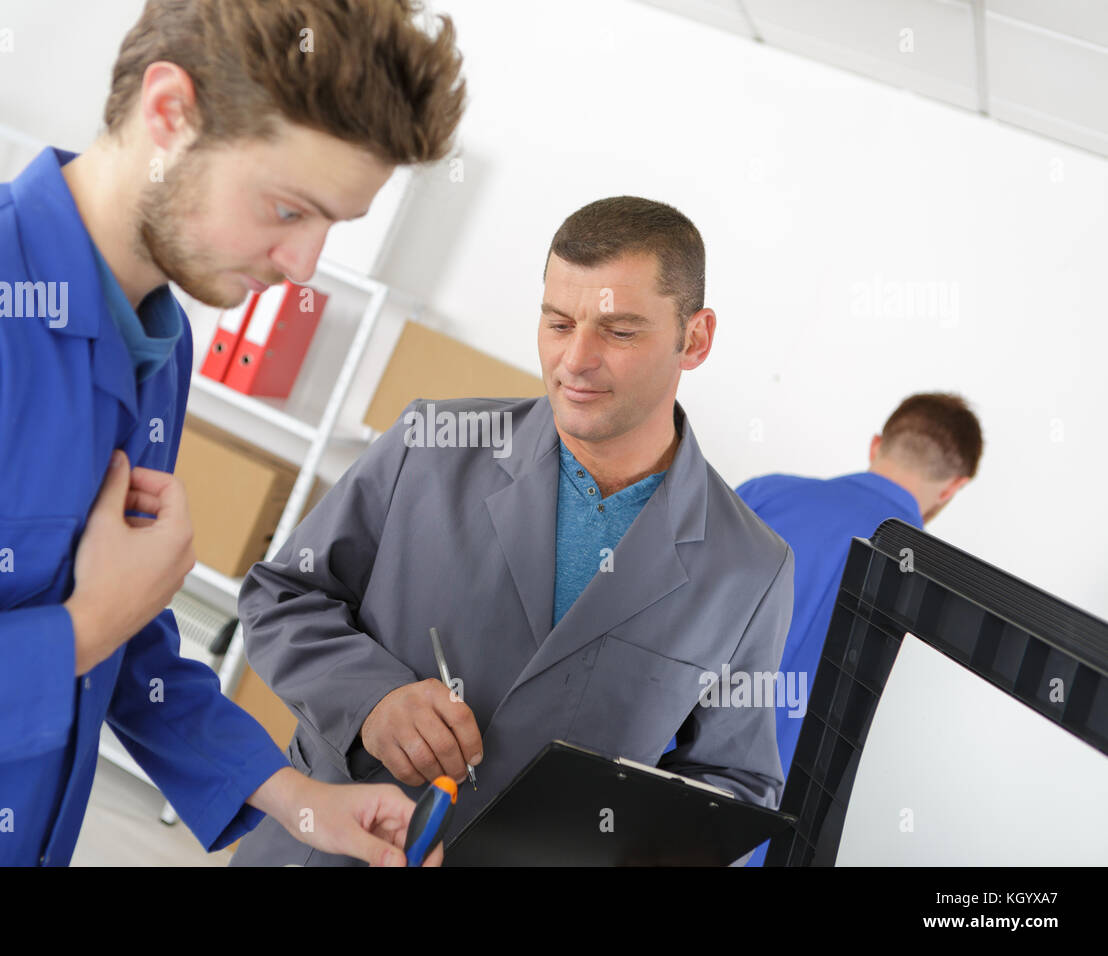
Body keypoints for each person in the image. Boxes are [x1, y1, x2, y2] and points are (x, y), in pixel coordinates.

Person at [0, 0, 465, 866]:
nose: (304, 267)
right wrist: (76, 632)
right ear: (169, 113)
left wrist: (293, 799)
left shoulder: (160, 337)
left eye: (333, 226)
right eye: (287, 210)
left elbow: (122, 634)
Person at [229, 195, 796, 866]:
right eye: (559, 322)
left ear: (694, 339)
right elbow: (280, 595)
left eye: (618, 331)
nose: (575, 360)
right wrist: (370, 699)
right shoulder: (430, 444)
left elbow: (733, 786)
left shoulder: (750, 568)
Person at [735, 392, 982, 866]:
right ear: (953, 486)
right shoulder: (931, 583)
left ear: (876, 445)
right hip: (759, 836)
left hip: (647, 771)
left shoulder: (764, 493)